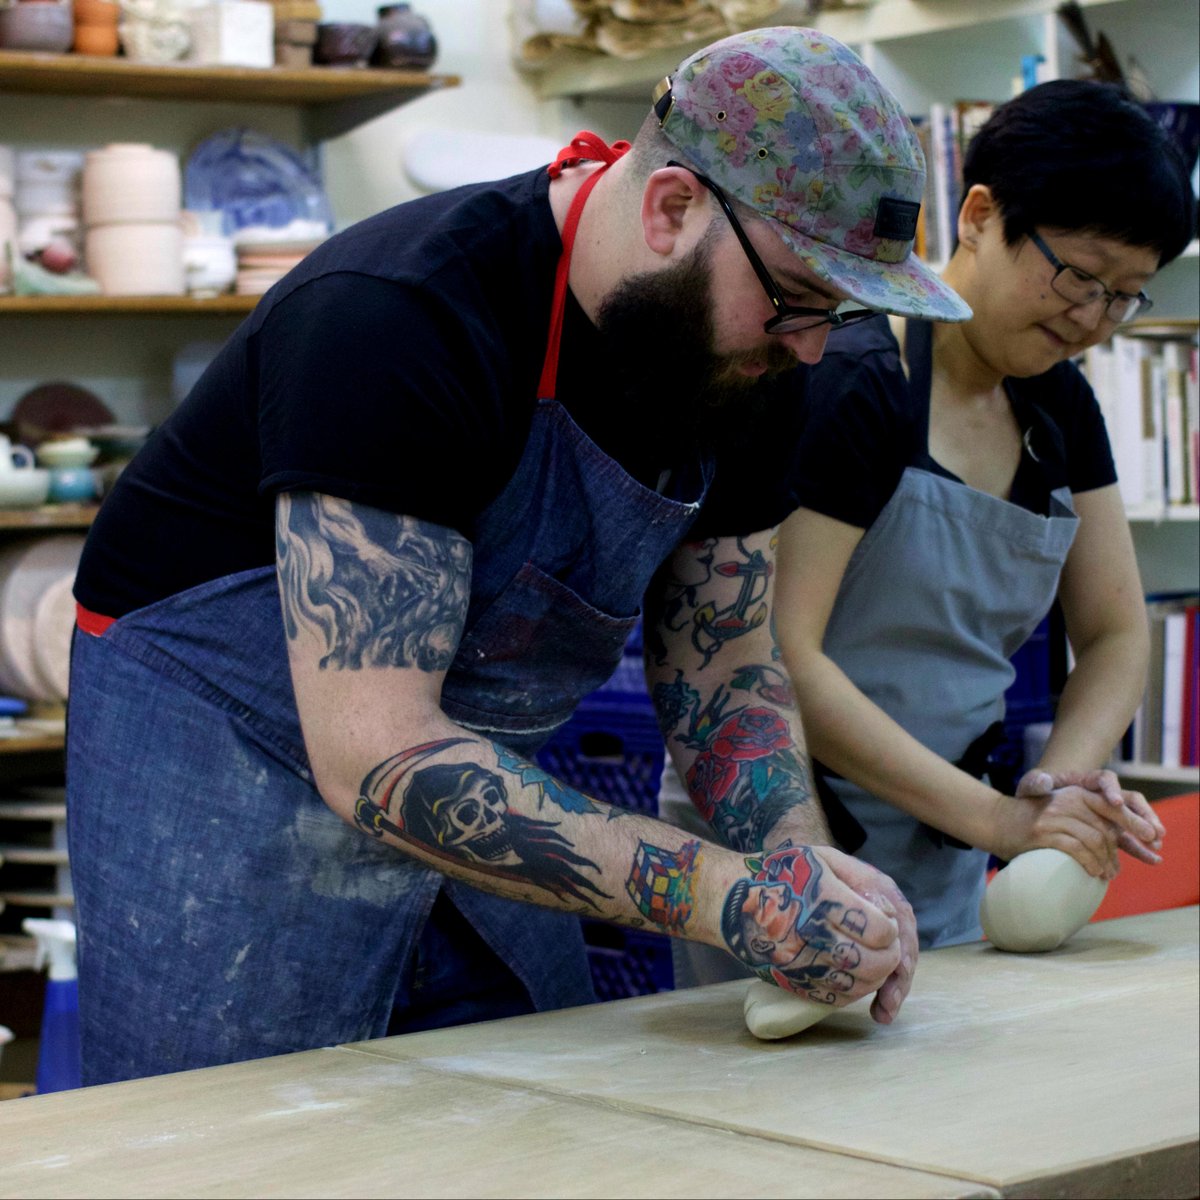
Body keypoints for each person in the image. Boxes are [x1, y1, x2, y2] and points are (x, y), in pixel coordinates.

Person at [66, 26, 970, 1084]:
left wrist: (796, 863)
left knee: (537, 1125)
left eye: (840, 308)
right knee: (247, 1152)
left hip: (474, 781)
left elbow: (723, 665)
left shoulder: (757, 357)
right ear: (676, 208)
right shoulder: (398, 319)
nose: (813, 344)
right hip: (231, 788)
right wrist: (724, 893)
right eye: (797, 296)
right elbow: (382, 751)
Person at [766, 79, 1191, 949]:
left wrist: (1060, 790)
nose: (1090, 318)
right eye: (1076, 274)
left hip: (949, 842)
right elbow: (780, 658)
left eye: (1123, 295)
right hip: (791, 837)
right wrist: (1000, 823)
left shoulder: (1060, 407)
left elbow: (1115, 633)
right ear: (977, 214)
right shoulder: (858, 381)